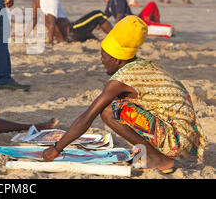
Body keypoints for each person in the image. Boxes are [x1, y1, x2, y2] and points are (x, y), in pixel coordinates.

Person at [42, 16, 206, 173]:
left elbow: (87, 118)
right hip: (188, 136)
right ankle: (155, 154)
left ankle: (159, 159)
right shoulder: (143, 64)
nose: (101, 60)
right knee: (121, 105)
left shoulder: (121, 80)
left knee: (109, 111)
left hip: (177, 140)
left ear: (118, 60)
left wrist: (57, 148)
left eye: (104, 57)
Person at [30, 0, 113, 46]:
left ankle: (96, 39)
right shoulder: (52, 0)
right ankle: (115, 37)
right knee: (98, 14)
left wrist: (26, 34)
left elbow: (34, 18)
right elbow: (52, 23)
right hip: (72, 32)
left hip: (69, 34)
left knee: (87, 29)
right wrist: (51, 41)